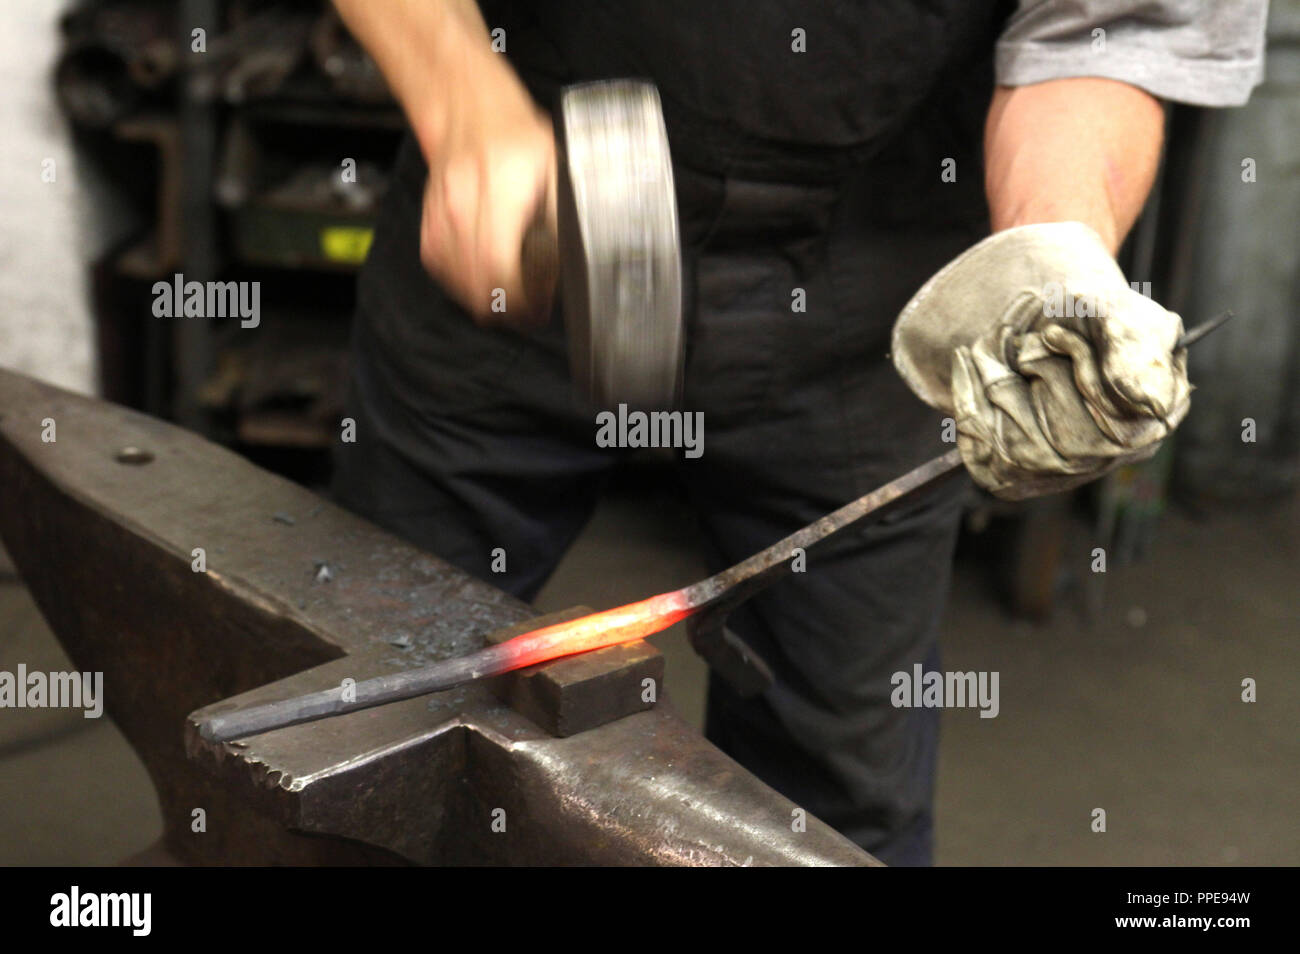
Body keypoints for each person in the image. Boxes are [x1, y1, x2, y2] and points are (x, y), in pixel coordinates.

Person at [328, 0, 1267, 865]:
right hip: (514, 209)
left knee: (831, 818)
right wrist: (457, 93)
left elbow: (1103, 31)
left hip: (877, 283)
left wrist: (1049, 264)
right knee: (361, 734)